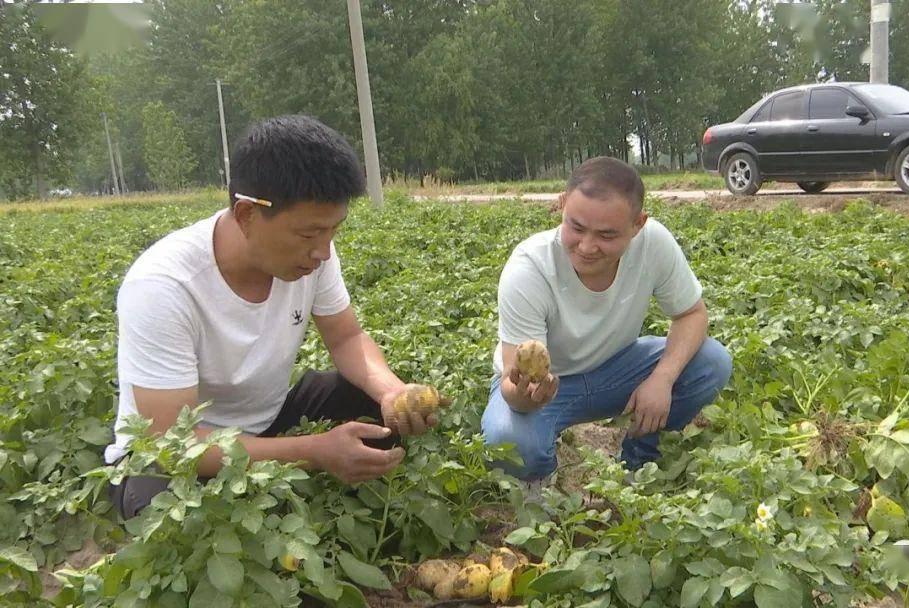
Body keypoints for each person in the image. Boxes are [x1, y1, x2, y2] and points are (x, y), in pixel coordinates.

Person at [103, 115, 437, 518]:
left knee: (374, 405)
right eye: (309, 234)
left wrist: (391, 393)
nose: (324, 252)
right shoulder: (163, 286)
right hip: (171, 450)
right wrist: (312, 452)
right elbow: (174, 443)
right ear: (247, 215)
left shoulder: (312, 257)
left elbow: (346, 339)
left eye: (333, 231)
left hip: (270, 417)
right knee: (163, 509)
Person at [481, 156, 733, 484]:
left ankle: (640, 457)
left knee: (711, 362)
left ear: (637, 224)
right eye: (576, 227)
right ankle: (541, 483)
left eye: (607, 235)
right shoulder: (529, 268)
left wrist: (663, 379)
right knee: (509, 443)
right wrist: (526, 396)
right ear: (561, 205)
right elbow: (513, 387)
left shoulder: (653, 243)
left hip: (617, 370)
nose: (587, 246)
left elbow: (691, 315)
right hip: (552, 387)